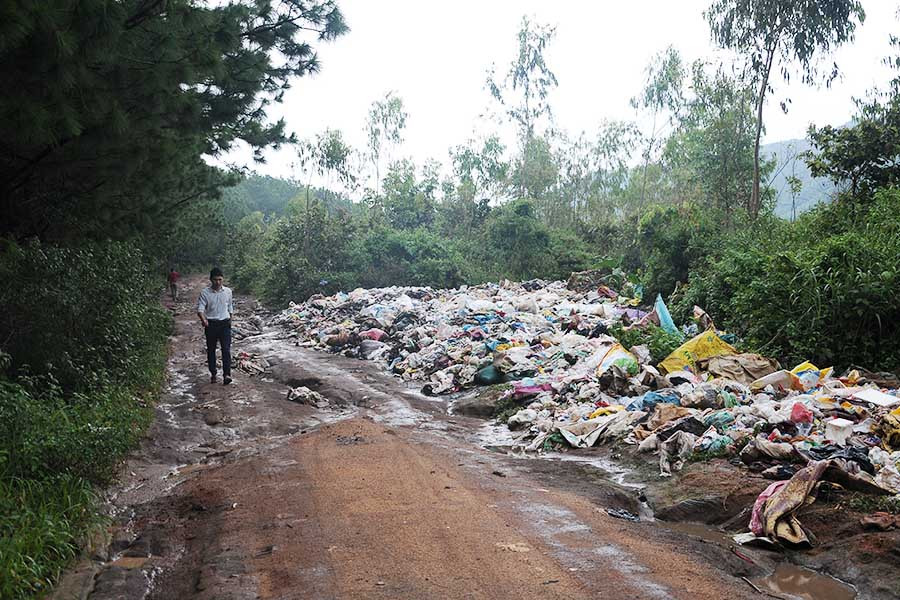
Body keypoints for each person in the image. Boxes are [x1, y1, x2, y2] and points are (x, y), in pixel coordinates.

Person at [197, 267, 234, 385]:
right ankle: (213, 372)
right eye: (215, 280)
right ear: (210, 280)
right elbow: (200, 309)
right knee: (211, 350)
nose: (217, 282)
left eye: (220, 279)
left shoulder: (228, 291)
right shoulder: (205, 293)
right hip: (211, 324)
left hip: (225, 324)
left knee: (226, 350)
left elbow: (230, 306)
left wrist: (231, 319)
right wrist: (204, 320)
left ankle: (227, 374)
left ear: (222, 279)